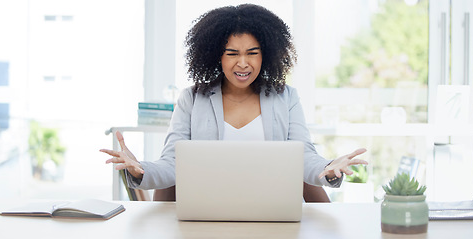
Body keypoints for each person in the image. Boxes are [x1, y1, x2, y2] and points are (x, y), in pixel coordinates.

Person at [101, 4, 368, 202]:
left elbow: (303, 157)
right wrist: (140, 169)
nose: (243, 63)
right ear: (216, 56)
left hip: (269, 206)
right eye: (232, 54)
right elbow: (172, 164)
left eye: (252, 53)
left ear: (267, 55)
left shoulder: (286, 96)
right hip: (207, 207)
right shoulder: (192, 98)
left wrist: (328, 168)